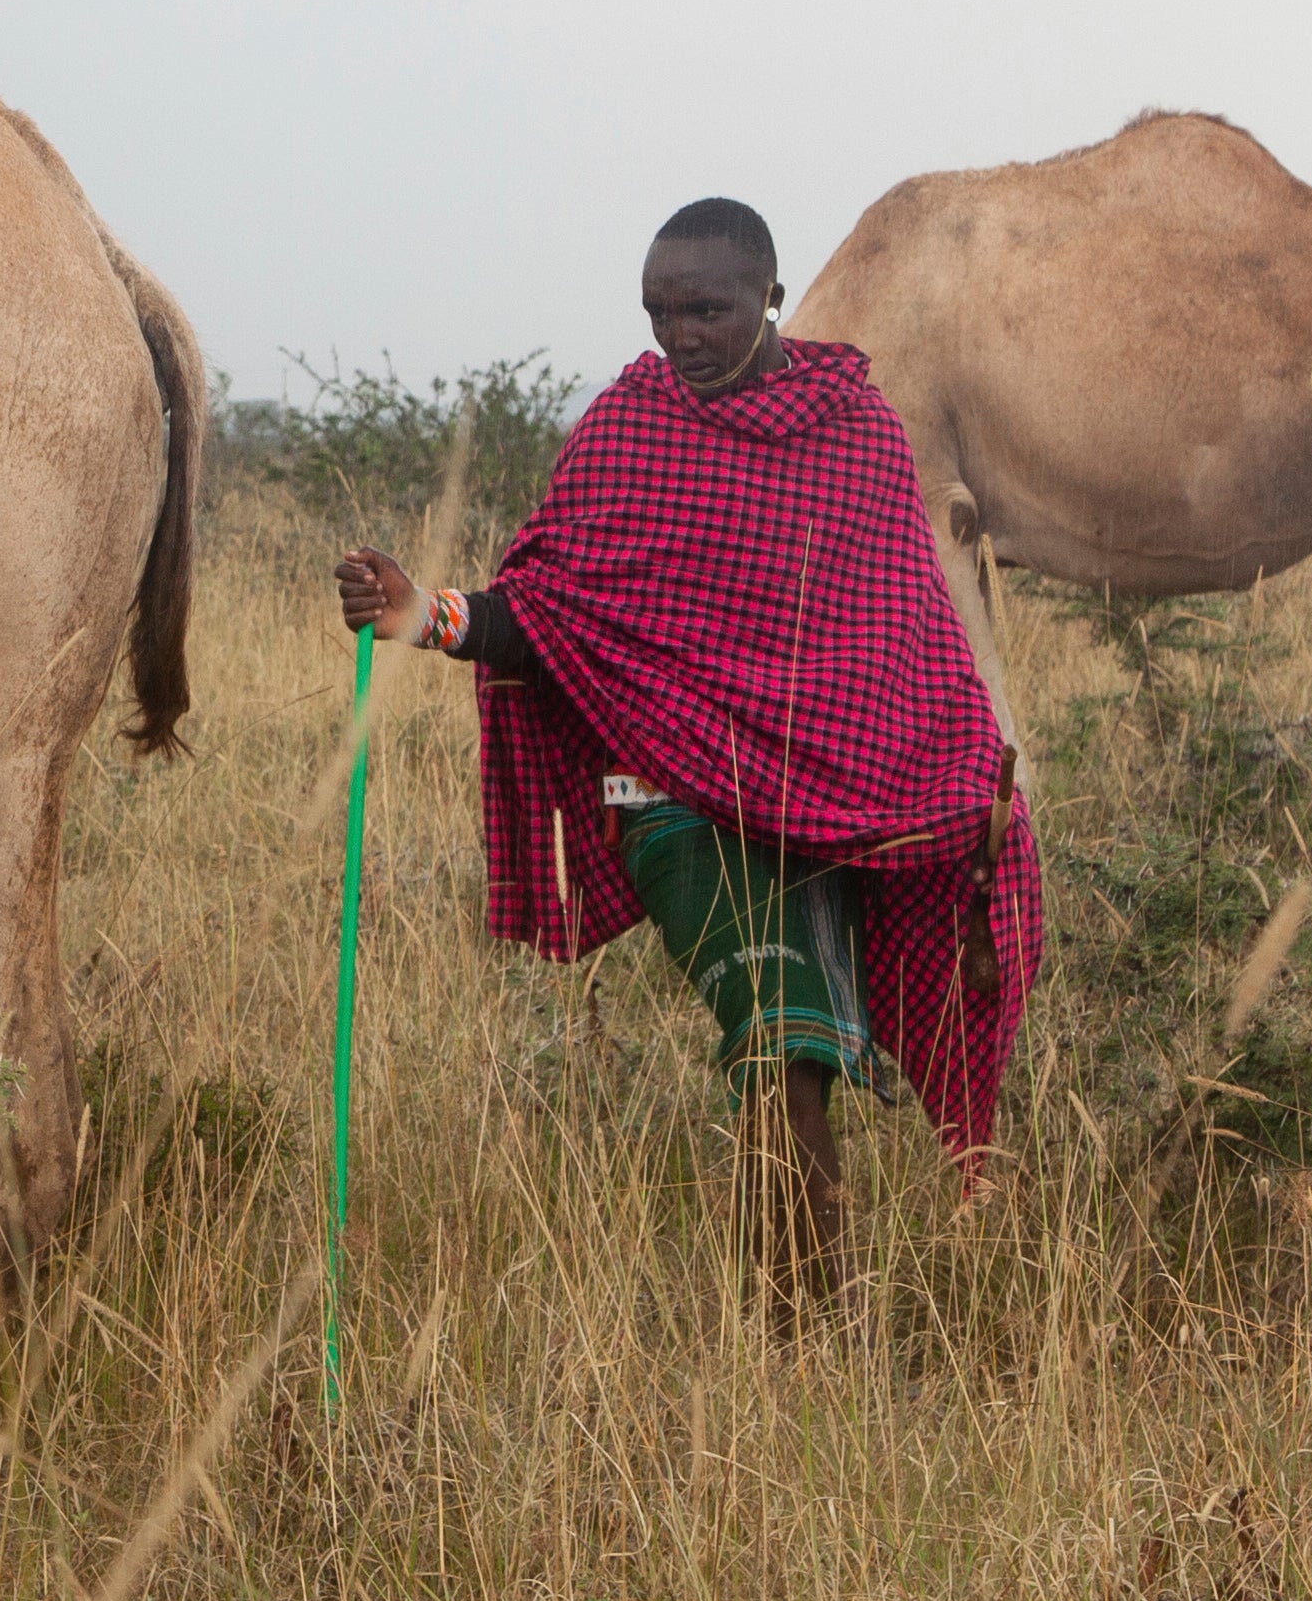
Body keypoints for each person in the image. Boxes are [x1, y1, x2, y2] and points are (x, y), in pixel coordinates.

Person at [337, 196, 1038, 1315]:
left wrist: (953, 775)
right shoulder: (629, 427)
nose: (681, 336)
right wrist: (425, 614)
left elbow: (907, 634)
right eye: (661, 312)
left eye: (706, 309)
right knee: (779, 1031)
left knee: (800, 1042)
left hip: (832, 800)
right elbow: (552, 610)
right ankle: (808, 1327)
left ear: (770, 295)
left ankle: (804, 1322)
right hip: (667, 795)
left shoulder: (855, 434)